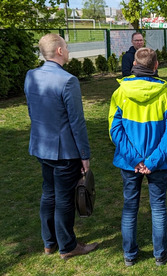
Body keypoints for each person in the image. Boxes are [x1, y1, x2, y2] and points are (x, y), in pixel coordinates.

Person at [24, 33, 98, 259]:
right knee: (63, 198)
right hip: (64, 151)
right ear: (59, 50)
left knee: (48, 194)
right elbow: (77, 122)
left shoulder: (31, 75)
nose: (68, 51)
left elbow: (32, 110)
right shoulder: (68, 80)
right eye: (66, 47)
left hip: (41, 146)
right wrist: (84, 155)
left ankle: (49, 242)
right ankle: (67, 246)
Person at [109, 47, 167, 266]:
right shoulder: (166, 93)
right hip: (155, 163)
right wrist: (150, 161)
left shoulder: (121, 92)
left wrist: (136, 160)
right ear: (156, 65)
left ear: (133, 65)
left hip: (132, 163)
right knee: (158, 207)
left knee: (130, 207)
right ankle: (159, 253)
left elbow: (114, 130)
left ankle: (130, 255)